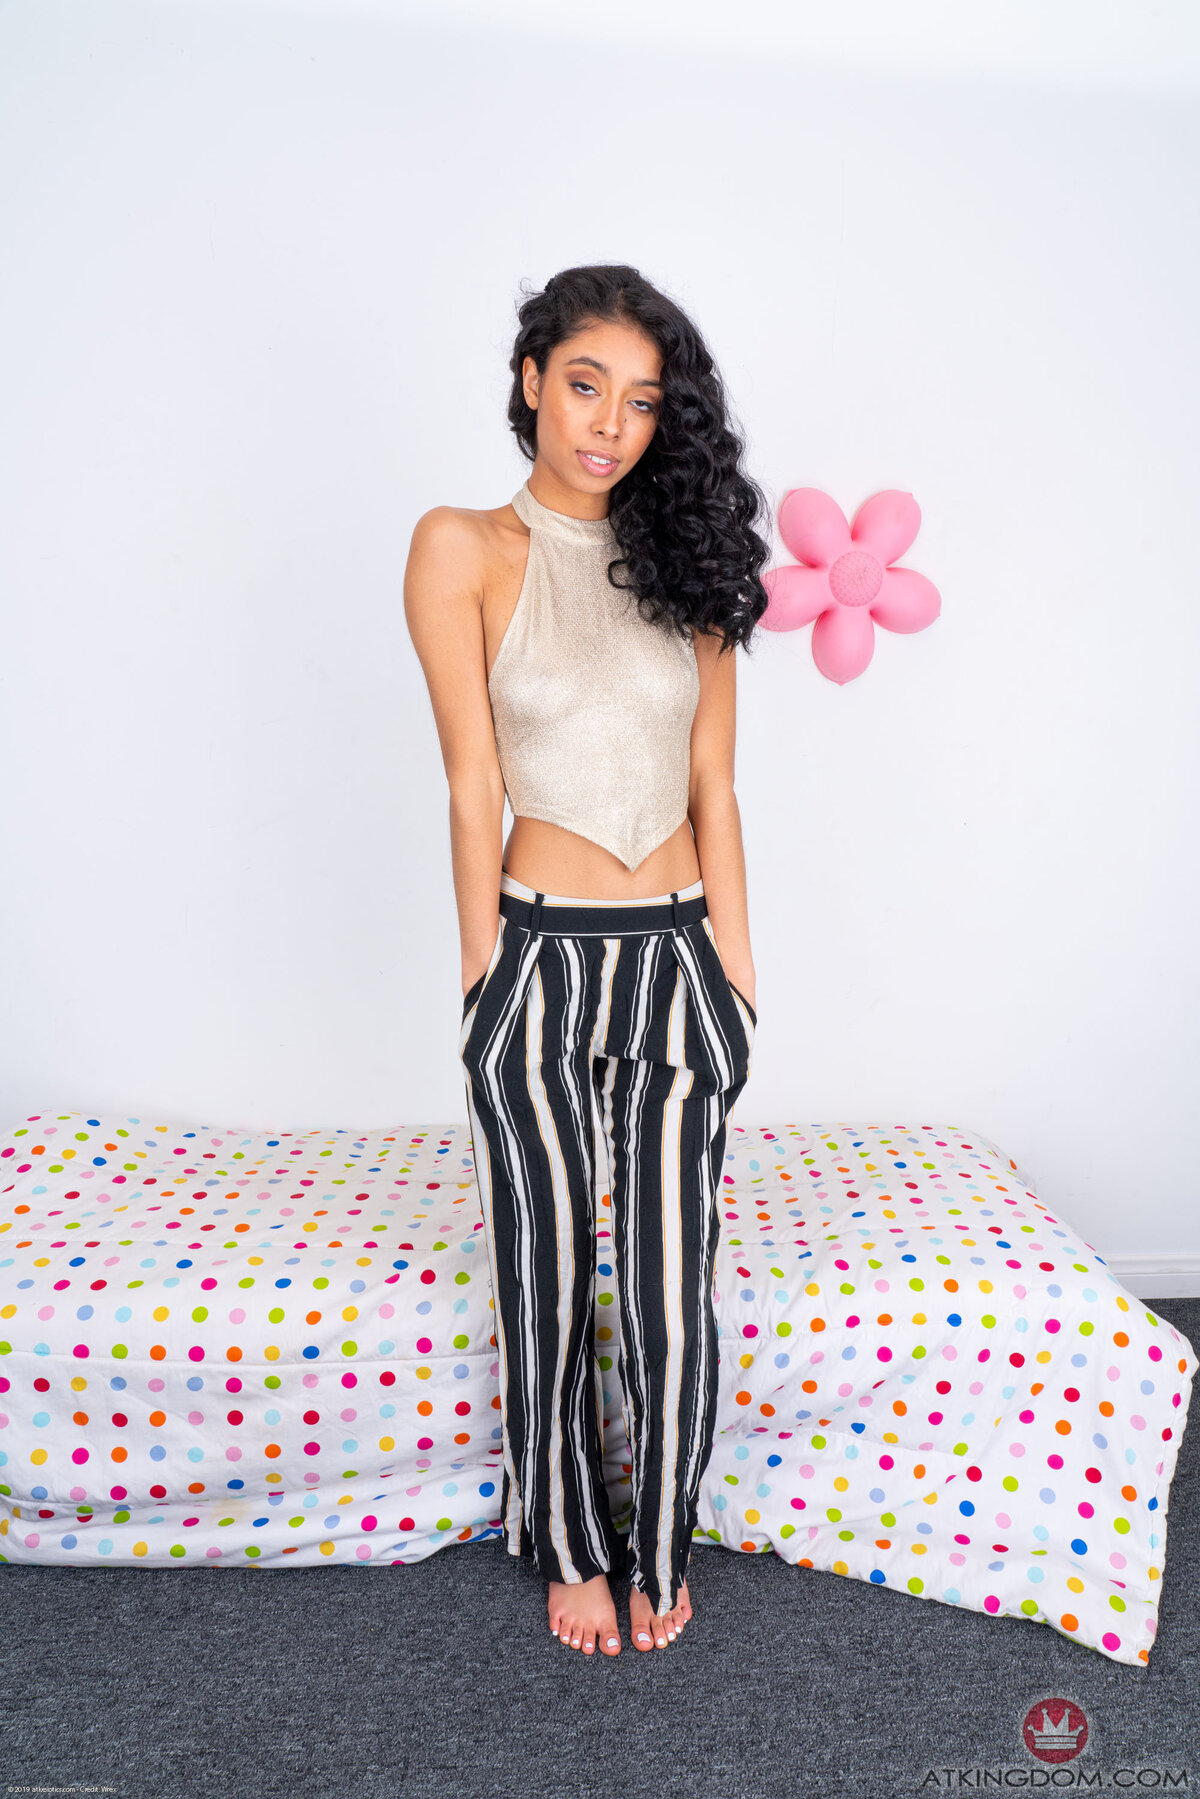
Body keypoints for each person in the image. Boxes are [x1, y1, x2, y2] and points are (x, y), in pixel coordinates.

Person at [404, 264, 770, 1657]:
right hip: (539, 954)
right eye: (584, 385)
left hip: (677, 953)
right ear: (530, 381)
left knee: (672, 1290)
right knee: (546, 1272)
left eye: (642, 401)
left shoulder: (690, 568)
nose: (611, 423)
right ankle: (569, 1544)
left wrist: (738, 977)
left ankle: (658, 1538)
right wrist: (480, 978)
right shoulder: (461, 547)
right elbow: (470, 781)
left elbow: (716, 787)